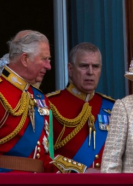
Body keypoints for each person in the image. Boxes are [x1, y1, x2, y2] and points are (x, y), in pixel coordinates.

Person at [0, 30, 87, 173]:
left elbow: (43, 159)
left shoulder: (40, 99)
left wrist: (82, 172)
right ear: (25, 59)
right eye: (44, 59)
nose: (48, 66)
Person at [47, 42, 115, 171]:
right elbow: (44, 156)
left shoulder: (113, 108)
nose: (90, 72)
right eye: (84, 66)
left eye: (95, 66)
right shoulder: (50, 104)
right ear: (70, 69)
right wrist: (81, 171)